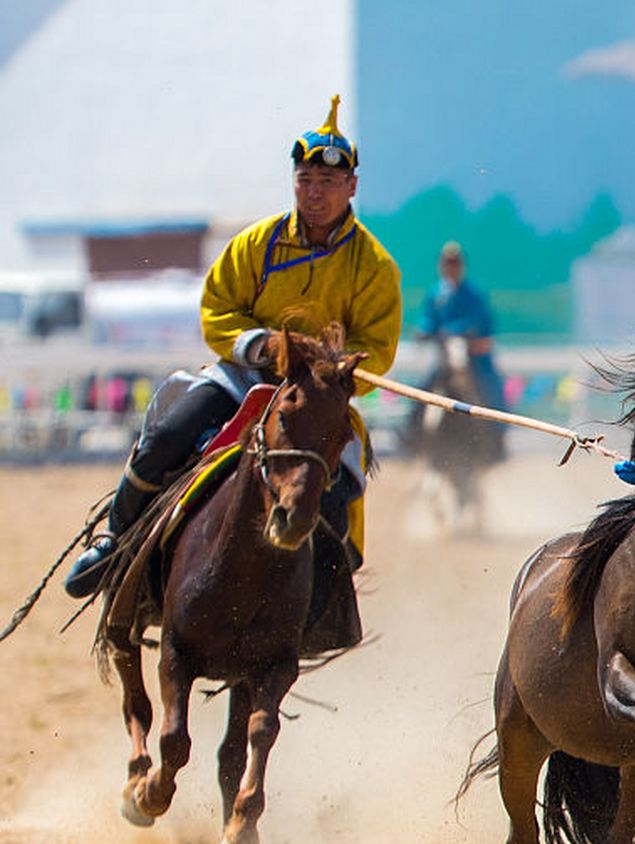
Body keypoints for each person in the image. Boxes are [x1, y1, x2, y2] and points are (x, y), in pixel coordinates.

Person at [65, 96, 402, 649]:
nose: (314, 192)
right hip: (242, 382)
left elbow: (377, 352)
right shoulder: (256, 243)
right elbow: (217, 310)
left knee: (338, 488)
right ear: (294, 182)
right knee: (167, 436)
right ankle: (115, 544)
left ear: (352, 188)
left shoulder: (375, 267)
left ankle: (323, 607)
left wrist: (330, 371)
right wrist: (262, 345)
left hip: (317, 399)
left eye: (326, 182)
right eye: (305, 179)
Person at [414, 242, 505, 411]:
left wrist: (455, 331)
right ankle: (412, 428)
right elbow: (428, 318)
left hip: (473, 356)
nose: (450, 268)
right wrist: (423, 329)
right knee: (424, 387)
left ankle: (490, 424)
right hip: (443, 353)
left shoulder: (474, 294)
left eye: (455, 263)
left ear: (462, 266)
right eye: (447, 263)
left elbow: (478, 321)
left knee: (489, 391)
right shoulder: (436, 293)